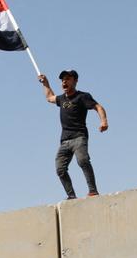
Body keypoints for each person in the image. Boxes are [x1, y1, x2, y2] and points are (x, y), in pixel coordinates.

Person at [38, 70, 108, 199]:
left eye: (68, 79)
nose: (64, 81)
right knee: (60, 169)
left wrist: (103, 121)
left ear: (75, 81)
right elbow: (49, 97)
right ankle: (71, 196)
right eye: (62, 80)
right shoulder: (61, 99)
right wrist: (45, 83)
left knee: (83, 161)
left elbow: (98, 107)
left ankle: (93, 191)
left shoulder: (82, 96)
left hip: (79, 137)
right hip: (65, 141)